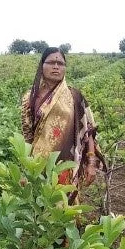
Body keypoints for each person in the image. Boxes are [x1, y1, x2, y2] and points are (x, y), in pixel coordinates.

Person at [21, 47, 103, 204]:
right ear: (42, 65)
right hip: (38, 164)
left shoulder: (75, 96)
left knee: (65, 210)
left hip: (66, 164)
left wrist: (91, 163)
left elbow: (88, 132)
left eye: (60, 63)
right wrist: (25, 170)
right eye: (51, 62)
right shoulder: (30, 98)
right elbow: (27, 137)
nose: (56, 66)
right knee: (40, 209)